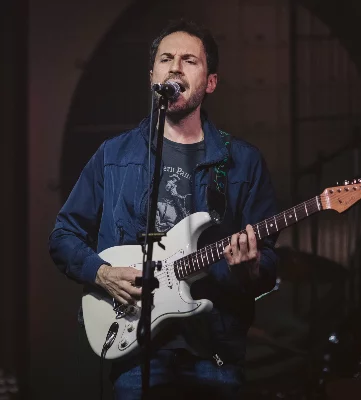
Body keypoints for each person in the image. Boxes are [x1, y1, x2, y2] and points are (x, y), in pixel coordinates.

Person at [49, 19, 279, 399]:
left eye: (189, 60)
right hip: (136, 352)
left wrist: (251, 268)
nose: (175, 68)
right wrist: (102, 273)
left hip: (214, 352)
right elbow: (63, 236)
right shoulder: (114, 155)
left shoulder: (243, 162)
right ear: (152, 77)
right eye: (166, 59)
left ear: (210, 82)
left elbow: (268, 261)